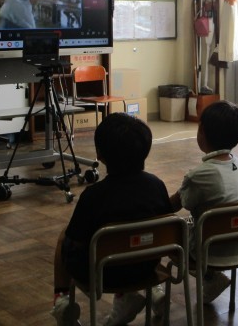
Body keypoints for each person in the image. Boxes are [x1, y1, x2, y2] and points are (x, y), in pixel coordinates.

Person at [51, 114, 173, 326]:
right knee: (139, 236)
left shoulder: (93, 196)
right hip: (145, 268)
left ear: (100, 154)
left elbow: (76, 240)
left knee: (64, 236)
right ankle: (141, 292)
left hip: (102, 274)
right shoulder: (157, 185)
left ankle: (61, 300)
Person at [169, 100, 238, 304]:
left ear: (202, 132)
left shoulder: (199, 175)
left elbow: (173, 206)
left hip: (209, 251)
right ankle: (211, 278)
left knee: (167, 234)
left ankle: (159, 292)